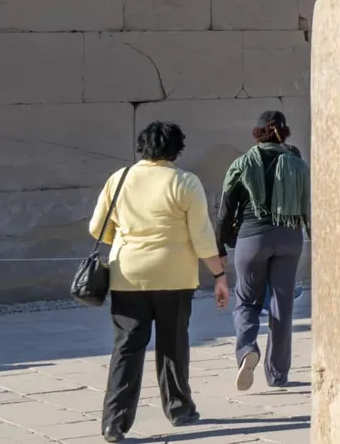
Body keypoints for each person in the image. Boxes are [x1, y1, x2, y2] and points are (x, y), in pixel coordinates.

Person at [90, 122, 228, 442]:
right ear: (177, 150)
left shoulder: (119, 178)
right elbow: (202, 237)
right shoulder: (185, 182)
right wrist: (219, 275)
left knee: (127, 347)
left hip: (128, 274)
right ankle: (179, 408)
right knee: (173, 342)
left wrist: (124, 239)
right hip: (174, 276)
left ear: (142, 146)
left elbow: (97, 228)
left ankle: (114, 423)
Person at [218, 110, 311, 391]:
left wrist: (220, 245)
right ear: (285, 132)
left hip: (252, 239)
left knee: (247, 301)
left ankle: (247, 349)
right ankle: (278, 374)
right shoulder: (297, 164)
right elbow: (307, 205)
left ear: (257, 133)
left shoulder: (241, 164)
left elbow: (226, 211)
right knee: (282, 305)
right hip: (289, 237)